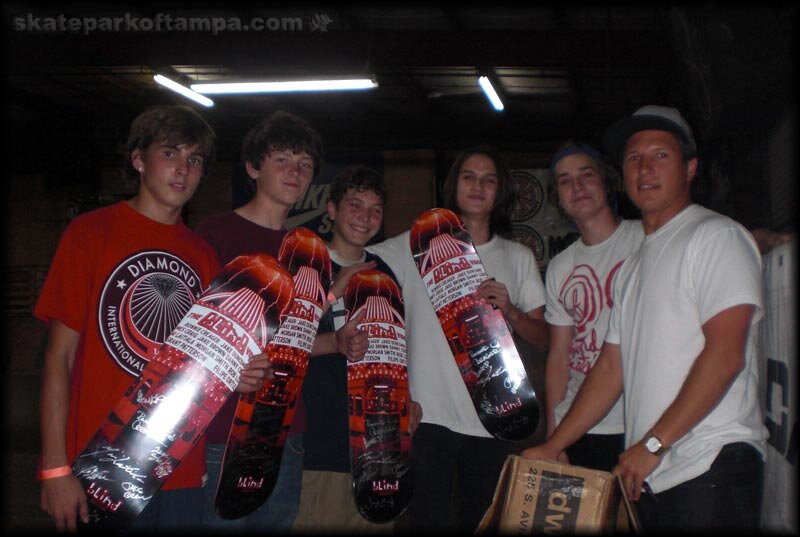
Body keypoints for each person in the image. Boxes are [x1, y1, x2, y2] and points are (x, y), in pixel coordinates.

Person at [523, 105, 769, 531]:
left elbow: (726, 353)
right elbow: (611, 366)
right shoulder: (636, 265)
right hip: (655, 472)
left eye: (660, 155)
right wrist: (555, 444)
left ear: (691, 168)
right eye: (634, 158)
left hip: (709, 462)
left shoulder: (715, 236)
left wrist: (654, 442)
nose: (645, 168)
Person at [34, 105, 270, 533]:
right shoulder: (89, 233)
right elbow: (58, 359)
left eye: (195, 160)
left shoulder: (201, 254)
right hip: (99, 465)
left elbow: (198, 365)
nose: (183, 170)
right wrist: (54, 468)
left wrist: (237, 373)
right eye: (171, 154)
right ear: (138, 159)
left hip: (178, 469)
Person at [194, 111, 365, 532]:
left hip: (288, 434)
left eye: (305, 164)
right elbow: (186, 340)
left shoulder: (310, 251)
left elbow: (293, 340)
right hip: (224, 431)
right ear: (253, 167)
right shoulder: (212, 235)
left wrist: (335, 343)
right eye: (283, 160)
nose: (296, 171)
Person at [367, 146, 549, 532]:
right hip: (426, 420)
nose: (478, 186)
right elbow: (355, 259)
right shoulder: (414, 245)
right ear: (454, 185)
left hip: (496, 420)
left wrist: (512, 312)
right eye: (469, 176)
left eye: (489, 179)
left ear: (500, 191)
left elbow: (545, 338)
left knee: (480, 523)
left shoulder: (517, 256)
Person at [292, 164, 422, 533]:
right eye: (355, 205)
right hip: (321, 444)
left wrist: (406, 402)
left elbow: (393, 352)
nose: (365, 218)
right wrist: (334, 288)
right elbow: (284, 342)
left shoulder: (384, 272)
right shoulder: (307, 266)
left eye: (375, 209)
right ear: (331, 209)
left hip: (379, 450)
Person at [542, 141, 639, 472]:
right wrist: (555, 437)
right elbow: (559, 356)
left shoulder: (646, 239)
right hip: (581, 425)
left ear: (606, 180)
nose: (577, 187)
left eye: (586, 175)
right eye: (565, 180)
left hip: (640, 419)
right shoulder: (559, 267)